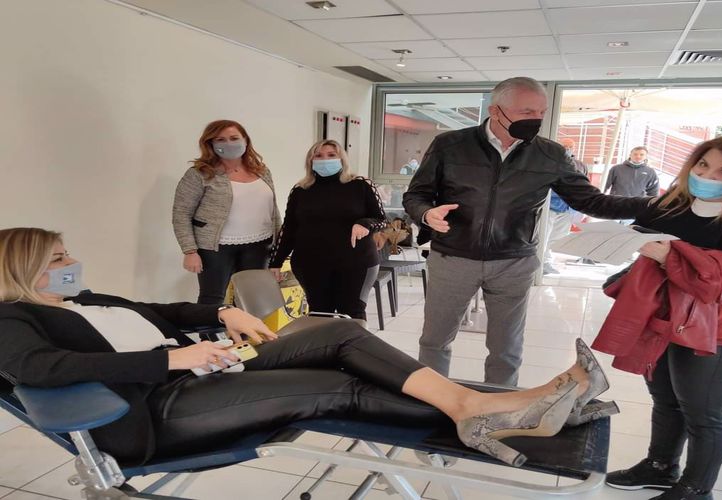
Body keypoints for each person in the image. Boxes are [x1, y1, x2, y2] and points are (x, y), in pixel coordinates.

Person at [0, 227, 611, 468]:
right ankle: (499, 411)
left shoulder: (84, 300)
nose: (72, 262)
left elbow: (161, 312)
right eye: (57, 257)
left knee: (338, 332)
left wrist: (221, 311)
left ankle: (480, 407)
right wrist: (169, 359)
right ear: (22, 268)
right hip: (159, 407)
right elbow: (40, 367)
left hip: (202, 371)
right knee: (336, 389)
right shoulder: (11, 317)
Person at [403, 77, 651, 386]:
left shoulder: (551, 154)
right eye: (526, 112)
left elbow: (592, 201)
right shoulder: (450, 145)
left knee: (506, 349)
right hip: (453, 258)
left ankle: (501, 405)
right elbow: (416, 195)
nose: (536, 119)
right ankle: (431, 399)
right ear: (495, 111)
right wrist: (426, 214)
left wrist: (655, 205)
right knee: (434, 340)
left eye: (541, 112)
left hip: (513, 262)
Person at [603, 136, 722, 500]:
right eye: (703, 165)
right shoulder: (675, 205)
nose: (708, 176)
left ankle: (696, 490)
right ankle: (660, 467)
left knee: (704, 415)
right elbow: (631, 223)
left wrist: (668, 257)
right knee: (666, 400)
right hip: (665, 319)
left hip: (719, 331)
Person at [269, 140, 386, 321]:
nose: (325, 159)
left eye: (331, 155)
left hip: (356, 262)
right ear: (310, 161)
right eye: (318, 155)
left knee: (353, 314)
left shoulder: (361, 184)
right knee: (319, 315)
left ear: (342, 159)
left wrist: (365, 223)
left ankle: (352, 341)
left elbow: (381, 220)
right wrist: (276, 262)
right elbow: (289, 228)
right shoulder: (300, 190)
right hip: (310, 264)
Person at [172, 120, 281, 304]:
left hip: (259, 246)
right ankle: (209, 325)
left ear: (245, 140)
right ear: (211, 143)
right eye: (220, 139)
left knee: (252, 299)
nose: (229, 143)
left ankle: (245, 325)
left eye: (234, 138)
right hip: (215, 248)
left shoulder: (262, 171)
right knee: (212, 299)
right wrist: (190, 251)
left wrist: (279, 247)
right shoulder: (199, 174)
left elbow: (273, 210)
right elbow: (181, 213)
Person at [543, 138, 589, 274]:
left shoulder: (580, 165)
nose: (567, 149)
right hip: (550, 206)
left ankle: (547, 261)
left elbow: (584, 186)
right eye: (564, 146)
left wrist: (582, 207)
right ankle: (543, 263)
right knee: (544, 236)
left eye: (570, 146)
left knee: (557, 238)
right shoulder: (549, 162)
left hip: (568, 208)